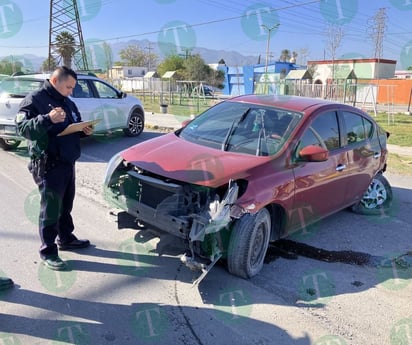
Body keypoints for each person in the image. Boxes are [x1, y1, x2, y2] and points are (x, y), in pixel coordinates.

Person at [16, 66, 93, 271]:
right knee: (50, 210)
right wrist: (47, 118)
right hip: (48, 163)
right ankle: (48, 251)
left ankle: (66, 238)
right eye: (68, 87)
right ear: (55, 80)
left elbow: (73, 125)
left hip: (67, 161)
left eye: (72, 88)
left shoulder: (67, 102)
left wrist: (84, 130)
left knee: (66, 205)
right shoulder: (35, 100)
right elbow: (23, 129)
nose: (70, 91)